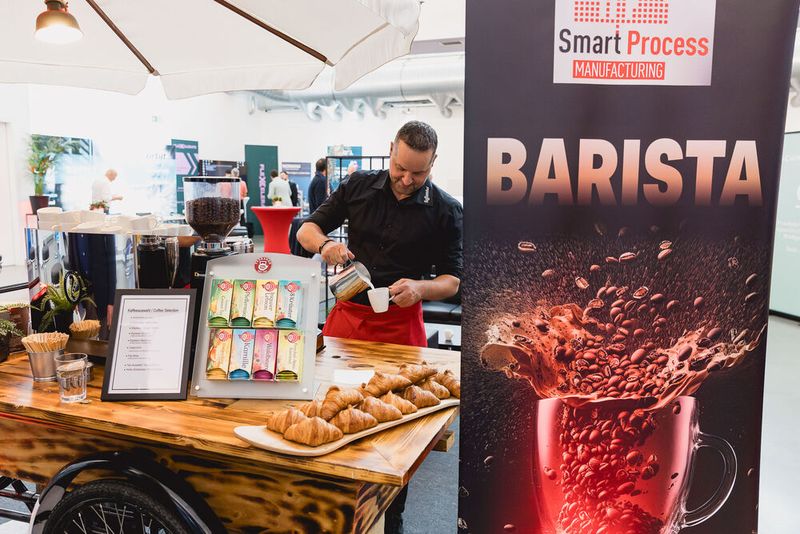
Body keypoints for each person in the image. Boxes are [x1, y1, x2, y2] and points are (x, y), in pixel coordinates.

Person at [297, 121, 463, 534]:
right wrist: (326, 245)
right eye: (400, 167)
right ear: (391, 150)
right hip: (347, 323)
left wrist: (421, 288)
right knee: (332, 411)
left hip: (401, 328)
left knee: (397, 431)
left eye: (418, 173)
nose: (406, 180)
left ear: (434, 163)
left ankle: (393, 515)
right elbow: (306, 230)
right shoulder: (358, 186)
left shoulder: (446, 210)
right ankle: (334, 508)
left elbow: (453, 281)